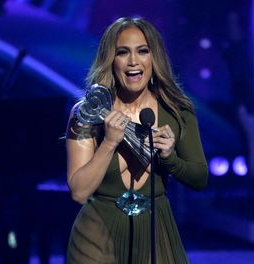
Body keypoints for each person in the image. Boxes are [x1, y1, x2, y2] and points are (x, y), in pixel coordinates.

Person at [65, 17, 208, 263]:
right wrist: (109, 143)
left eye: (142, 51)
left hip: (155, 232)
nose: (133, 62)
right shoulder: (89, 112)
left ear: (155, 58)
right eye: (123, 52)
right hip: (97, 236)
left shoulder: (177, 111)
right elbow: (79, 192)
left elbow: (199, 179)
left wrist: (170, 159)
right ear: (111, 60)